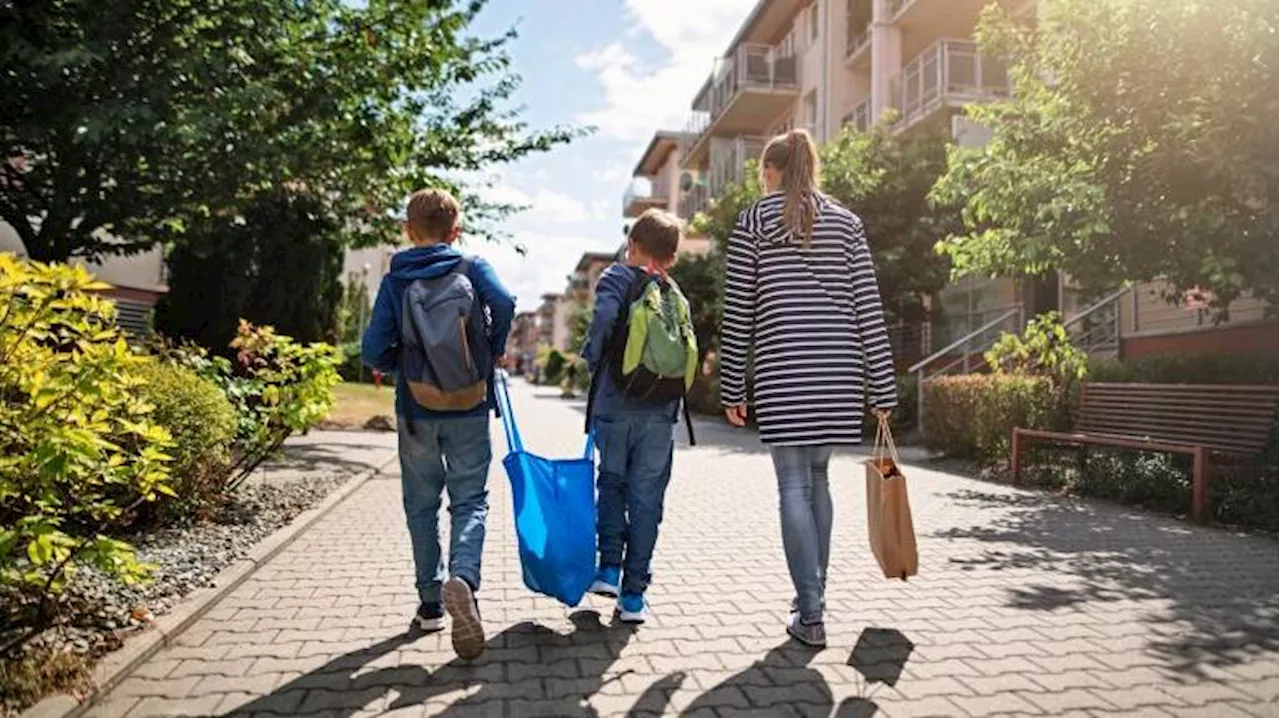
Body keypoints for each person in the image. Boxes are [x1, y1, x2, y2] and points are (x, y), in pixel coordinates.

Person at [719, 129, 897, 648]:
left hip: (783, 369)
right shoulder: (847, 223)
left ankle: (812, 612)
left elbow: (740, 310)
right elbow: (869, 306)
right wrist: (882, 386)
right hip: (839, 373)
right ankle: (811, 597)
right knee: (818, 478)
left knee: (792, 484)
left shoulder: (754, 220)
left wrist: (733, 383)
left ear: (771, 171)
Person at [362, 188, 515, 660]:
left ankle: (430, 605)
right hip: (469, 403)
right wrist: (489, 352)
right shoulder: (473, 267)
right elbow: (506, 301)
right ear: (456, 231)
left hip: (416, 408)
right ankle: (463, 578)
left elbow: (371, 350)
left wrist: (400, 363)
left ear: (409, 231)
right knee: (471, 500)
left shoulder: (397, 278)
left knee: (421, 504)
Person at [581, 208, 689, 624]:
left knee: (611, 483)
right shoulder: (674, 292)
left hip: (615, 403)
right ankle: (634, 597)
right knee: (647, 499)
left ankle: (608, 568)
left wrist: (594, 361)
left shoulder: (616, 277)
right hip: (661, 410)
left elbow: (605, 320)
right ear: (672, 255)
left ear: (633, 246)